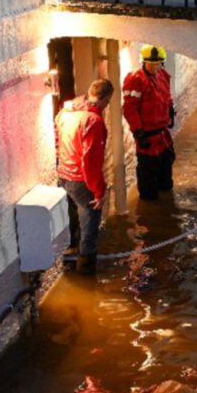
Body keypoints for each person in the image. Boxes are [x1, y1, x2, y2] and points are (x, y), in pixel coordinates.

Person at [55, 79, 114, 275]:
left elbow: (57, 141)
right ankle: (86, 277)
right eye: (108, 102)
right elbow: (91, 160)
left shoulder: (66, 113)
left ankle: (69, 261)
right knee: (89, 231)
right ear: (106, 99)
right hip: (81, 181)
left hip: (63, 176)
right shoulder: (94, 121)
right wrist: (98, 192)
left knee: (71, 221)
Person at [123, 45, 176, 201]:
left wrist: (170, 112)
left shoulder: (163, 75)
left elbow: (167, 96)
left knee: (167, 164)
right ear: (144, 62)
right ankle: (149, 204)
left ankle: (166, 197)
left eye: (157, 64)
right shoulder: (135, 80)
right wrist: (138, 132)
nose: (154, 67)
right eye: (151, 64)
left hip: (163, 134)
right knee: (148, 171)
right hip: (148, 136)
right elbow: (129, 108)